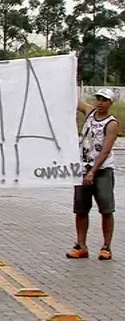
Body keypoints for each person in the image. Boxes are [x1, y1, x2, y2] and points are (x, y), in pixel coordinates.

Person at [66, 88, 119, 260]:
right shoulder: (90, 113)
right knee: (81, 209)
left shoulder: (111, 123)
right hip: (82, 167)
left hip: (101, 169)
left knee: (106, 209)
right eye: (98, 99)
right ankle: (81, 245)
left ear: (110, 103)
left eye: (104, 100)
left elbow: (105, 151)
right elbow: (75, 102)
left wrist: (93, 172)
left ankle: (106, 247)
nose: (100, 103)